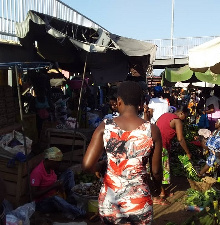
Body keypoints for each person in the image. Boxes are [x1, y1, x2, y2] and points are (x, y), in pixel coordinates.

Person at [82, 81, 163, 225]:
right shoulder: (152, 130)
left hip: (110, 203)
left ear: (119, 102)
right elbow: (156, 171)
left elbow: (87, 165)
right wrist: (157, 189)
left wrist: (101, 167)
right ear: (140, 103)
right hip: (139, 203)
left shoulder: (105, 127)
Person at [30, 147, 85, 219]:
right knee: (55, 198)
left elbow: (55, 182)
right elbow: (34, 194)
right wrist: (53, 186)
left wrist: (60, 186)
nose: (58, 165)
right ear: (49, 160)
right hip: (43, 203)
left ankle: (72, 199)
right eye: (57, 162)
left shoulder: (50, 168)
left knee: (69, 173)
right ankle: (79, 212)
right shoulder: (37, 172)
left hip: (54, 193)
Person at [155, 106, 192, 205]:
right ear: (182, 113)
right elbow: (180, 139)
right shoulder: (177, 120)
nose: (185, 119)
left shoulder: (164, 115)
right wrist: (188, 152)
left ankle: (162, 191)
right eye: (186, 116)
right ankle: (161, 193)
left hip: (154, 144)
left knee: (157, 169)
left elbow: (156, 125)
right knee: (162, 170)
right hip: (162, 147)